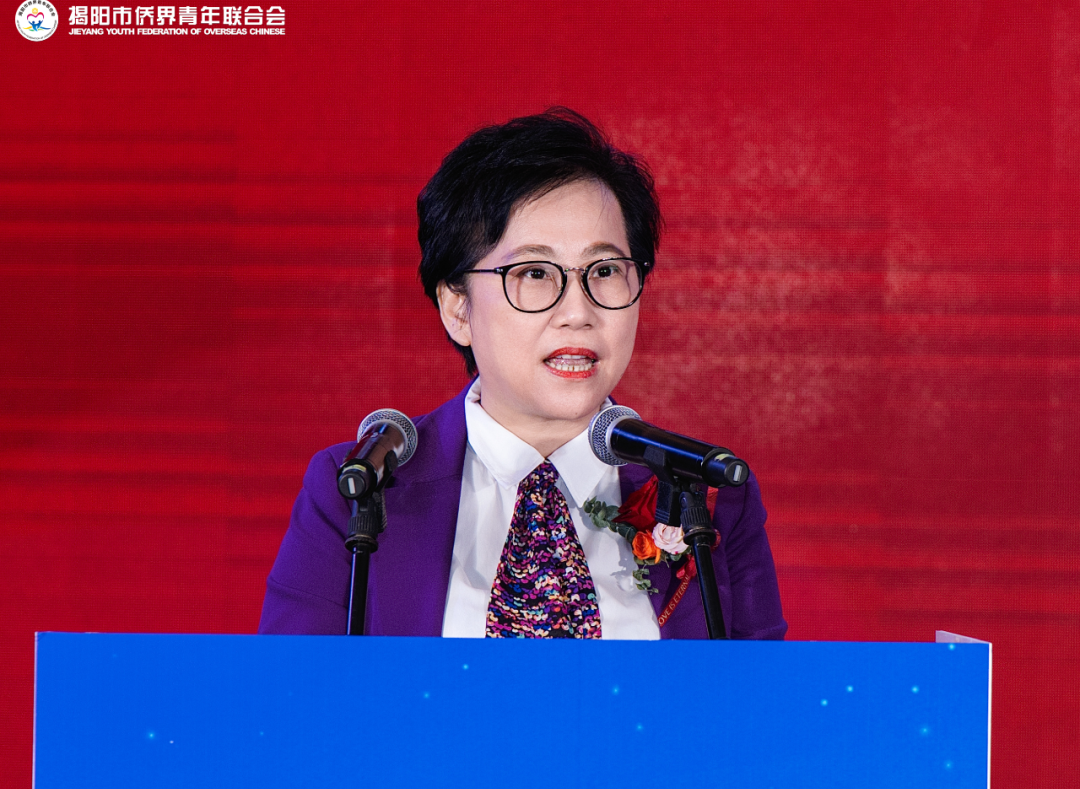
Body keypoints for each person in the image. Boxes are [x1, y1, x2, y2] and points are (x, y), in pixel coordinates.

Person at [258, 108, 786, 640]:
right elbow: (292, 687)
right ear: (457, 308)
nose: (578, 312)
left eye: (605, 270)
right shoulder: (359, 489)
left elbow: (762, 690)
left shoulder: (708, 496)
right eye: (534, 273)